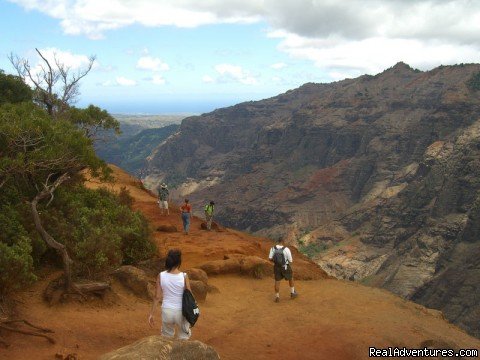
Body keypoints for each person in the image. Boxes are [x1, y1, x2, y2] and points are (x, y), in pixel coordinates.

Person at [148, 249, 192, 340]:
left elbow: (157, 297)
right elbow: (189, 295)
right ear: (179, 261)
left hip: (167, 311)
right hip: (181, 312)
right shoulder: (184, 276)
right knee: (183, 338)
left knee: (166, 338)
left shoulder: (161, 275)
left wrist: (151, 314)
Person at [268, 238, 298, 303]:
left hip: (276, 267)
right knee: (291, 278)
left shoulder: (273, 248)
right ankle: (292, 293)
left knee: (277, 281)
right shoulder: (286, 249)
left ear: (278, 241)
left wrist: (276, 261)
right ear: (283, 242)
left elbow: (270, 258)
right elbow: (290, 261)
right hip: (285, 267)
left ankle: (277, 297)